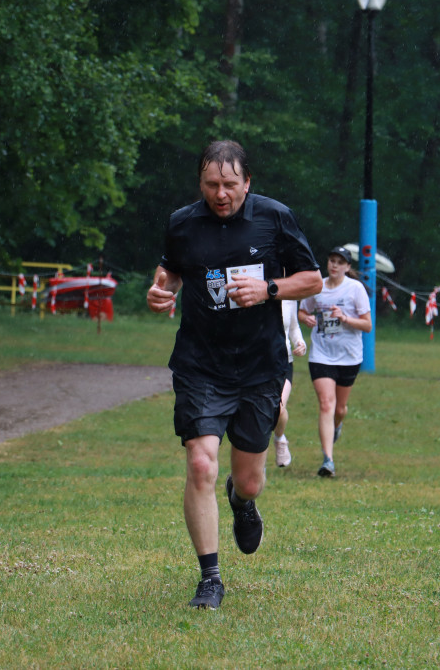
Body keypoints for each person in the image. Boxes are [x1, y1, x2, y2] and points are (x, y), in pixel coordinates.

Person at [146, 140, 322, 610]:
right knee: (201, 462)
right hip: (201, 364)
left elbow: (312, 280)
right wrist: (161, 290)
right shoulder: (183, 222)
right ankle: (210, 578)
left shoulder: (275, 217)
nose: (220, 194)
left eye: (229, 184)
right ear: (199, 183)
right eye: (210, 184)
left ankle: (242, 503)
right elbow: (172, 269)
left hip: (260, 366)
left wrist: (267, 288)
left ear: (247, 182)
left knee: (248, 480)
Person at [298, 246, 372, 478]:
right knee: (326, 405)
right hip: (321, 354)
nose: (334, 265)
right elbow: (301, 312)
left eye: (340, 262)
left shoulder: (355, 289)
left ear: (348, 267)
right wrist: (306, 318)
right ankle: (328, 460)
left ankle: (337, 426)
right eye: (332, 260)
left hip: (349, 356)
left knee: (339, 409)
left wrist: (345, 318)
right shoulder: (317, 286)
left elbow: (367, 325)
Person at [273, 299, 306, 468]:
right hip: (255, 363)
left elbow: (293, 327)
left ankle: (280, 439)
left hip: (284, 362)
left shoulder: (289, 296)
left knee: (278, 408)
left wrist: (300, 343)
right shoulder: (253, 290)